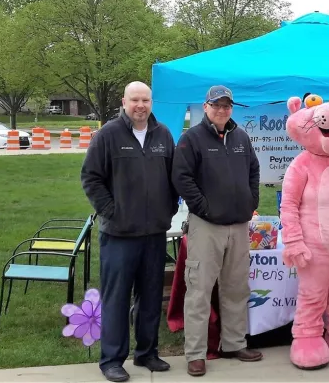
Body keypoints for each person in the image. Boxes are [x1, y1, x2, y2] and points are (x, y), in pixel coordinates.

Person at [81, 81, 178, 382]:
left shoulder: (163, 135)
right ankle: (112, 359)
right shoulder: (108, 135)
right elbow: (91, 178)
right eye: (135, 100)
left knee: (150, 297)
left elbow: (174, 176)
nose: (140, 106)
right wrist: (112, 211)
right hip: (119, 236)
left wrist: (168, 209)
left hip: (154, 234)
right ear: (124, 102)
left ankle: (147, 352)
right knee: (117, 299)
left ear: (151, 103)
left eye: (145, 100)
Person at [172, 85, 262, 377]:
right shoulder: (191, 138)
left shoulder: (241, 137)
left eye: (226, 106)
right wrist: (204, 207)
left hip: (238, 225)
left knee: (236, 287)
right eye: (216, 105)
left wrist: (251, 201)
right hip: (207, 226)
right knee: (199, 290)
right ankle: (196, 353)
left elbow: (253, 170)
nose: (222, 110)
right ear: (205, 107)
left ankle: (234, 343)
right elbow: (181, 178)